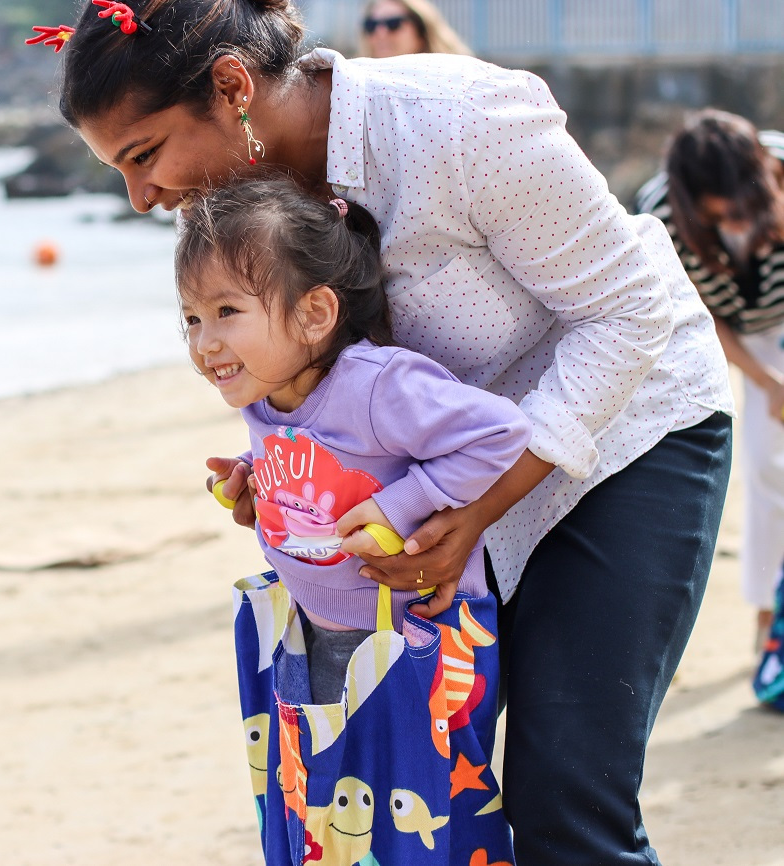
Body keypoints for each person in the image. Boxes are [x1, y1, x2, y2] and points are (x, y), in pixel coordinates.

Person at [36, 1, 735, 862]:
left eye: (142, 156)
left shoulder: (457, 123)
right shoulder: (220, 209)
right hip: (446, 487)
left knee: (563, 791)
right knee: (425, 791)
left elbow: (626, 314)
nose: (141, 197)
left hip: (628, 433)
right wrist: (289, 468)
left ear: (231, 87)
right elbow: (318, 374)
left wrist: (473, 514)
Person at [179, 176, 530, 862]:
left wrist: (401, 505)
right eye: (190, 317)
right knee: (329, 822)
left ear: (314, 314)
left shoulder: (377, 385)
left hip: (415, 648)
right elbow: (321, 481)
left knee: (420, 830)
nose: (204, 342)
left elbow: (500, 433)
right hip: (316, 637)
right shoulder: (263, 395)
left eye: (226, 311)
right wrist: (258, 489)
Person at [636, 109, 784, 654]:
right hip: (709, 330)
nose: (737, 224)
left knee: (775, 464)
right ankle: (770, 615)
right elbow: (696, 314)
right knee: (766, 472)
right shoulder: (659, 213)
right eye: (722, 213)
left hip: (782, 317)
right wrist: (767, 382)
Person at [358, 0, 472, 58]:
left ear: (422, 31)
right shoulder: (355, 89)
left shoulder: (455, 81)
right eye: (371, 25)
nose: (380, 33)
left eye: (393, 23)